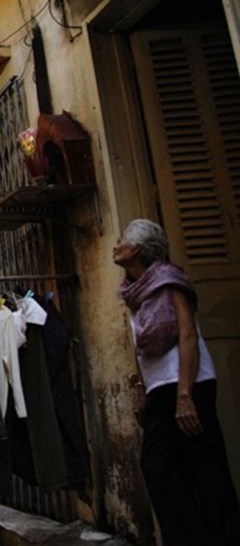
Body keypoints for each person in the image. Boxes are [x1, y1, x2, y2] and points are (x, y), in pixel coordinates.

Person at [114, 218, 240, 545]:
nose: (116, 245)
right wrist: (143, 391)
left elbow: (186, 334)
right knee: (162, 467)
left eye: (122, 240)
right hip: (160, 388)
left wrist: (185, 394)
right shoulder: (133, 291)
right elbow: (140, 347)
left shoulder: (169, 280)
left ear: (139, 249)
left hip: (187, 382)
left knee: (204, 467)